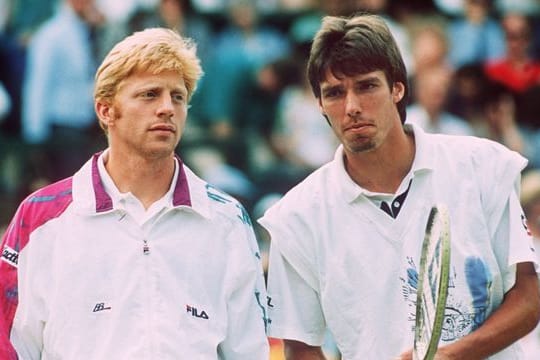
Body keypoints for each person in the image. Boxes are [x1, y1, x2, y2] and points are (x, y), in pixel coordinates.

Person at [258, 13, 540, 359]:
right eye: (334, 93)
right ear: (319, 103)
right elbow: (301, 348)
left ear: (398, 87)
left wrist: (451, 356)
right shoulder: (296, 218)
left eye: (366, 86)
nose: (352, 107)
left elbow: (529, 295)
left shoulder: (481, 167)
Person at [0, 27, 269, 359]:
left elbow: (250, 350)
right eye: (150, 94)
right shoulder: (40, 217)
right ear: (106, 110)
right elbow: (11, 346)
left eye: (178, 96)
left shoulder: (225, 218)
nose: (167, 108)